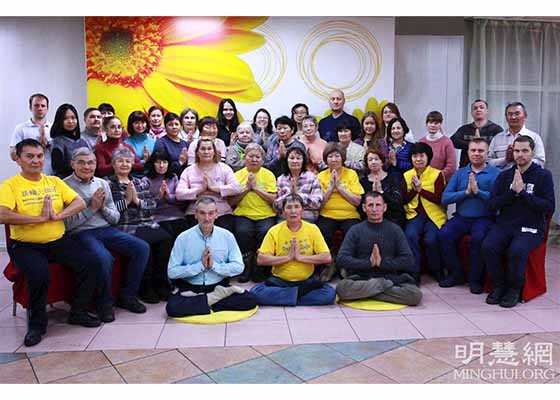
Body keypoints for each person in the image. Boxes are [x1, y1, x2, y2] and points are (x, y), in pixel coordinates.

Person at [0, 139, 102, 347]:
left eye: (39, 156)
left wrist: (58, 216)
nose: (36, 161)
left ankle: (78, 311)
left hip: (57, 241)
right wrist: (37, 219)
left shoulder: (54, 181)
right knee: (39, 274)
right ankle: (37, 326)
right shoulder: (10, 185)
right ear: (18, 159)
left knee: (91, 261)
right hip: (25, 245)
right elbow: (2, 214)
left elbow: (79, 202)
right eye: (30, 156)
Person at [64, 147, 149, 320]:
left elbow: (115, 218)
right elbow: (66, 225)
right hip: (82, 232)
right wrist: (92, 208)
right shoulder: (64, 185)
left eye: (91, 163)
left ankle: (127, 296)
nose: (86, 167)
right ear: (72, 164)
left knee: (142, 248)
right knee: (103, 258)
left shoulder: (102, 183)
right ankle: (104, 304)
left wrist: (102, 208)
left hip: (106, 229)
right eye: (81, 163)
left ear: (96, 165)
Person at [482, 136, 555, 308]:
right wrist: (511, 193)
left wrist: (523, 193)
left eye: (524, 151)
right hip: (505, 225)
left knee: (517, 250)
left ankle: (514, 289)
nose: (520, 154)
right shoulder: (504, 176)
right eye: (516, 151)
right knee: (488, 246)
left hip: (531, 226)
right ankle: (499, 286)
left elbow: (549, 206)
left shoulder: (543, 176)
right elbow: (492, 205)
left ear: (532, 152)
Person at [166, 197, 257, 317]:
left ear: (216, 214)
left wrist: (214, 266)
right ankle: (214, 300)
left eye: (210, 213)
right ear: (195, 215)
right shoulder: (183, 238)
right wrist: (200, 266)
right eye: (202, 213)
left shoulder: (227, 236)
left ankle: (202, 302)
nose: (207, 218)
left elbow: (239, 267)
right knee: (172, 307)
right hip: (191, 288)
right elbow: (172, 272)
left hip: (218, 285)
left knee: (249, 300)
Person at [105, 147, 174, 303]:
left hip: (146, 222)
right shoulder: (108, 183)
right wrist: (127, 201)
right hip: (126, 226)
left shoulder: (139, 182)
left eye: (127, 161)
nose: (124, 164)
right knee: (146, 243)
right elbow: (109, 210)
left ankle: (161, 283)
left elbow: (152, 205)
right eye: (120, 161)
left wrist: (136, 201)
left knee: (166, 239)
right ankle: (145, 287)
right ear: (113, 164)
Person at [336, 192, 422, 305]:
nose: (374, 209)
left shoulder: (395, 230)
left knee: (415, 295)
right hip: (362, 278)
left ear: (384, 207)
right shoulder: (355, 230)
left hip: (389, 277)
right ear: (364, 208)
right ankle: (381, 290)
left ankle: (368, 293)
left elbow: (408, 260)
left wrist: (382, 263)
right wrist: (368, 263)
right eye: (370, 205)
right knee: (342, 289)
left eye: (378, 205)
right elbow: (341, 259)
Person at [250, 194, 336, 306]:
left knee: (329, 294)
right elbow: (261, 259)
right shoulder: (274, 231)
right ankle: (298, 295)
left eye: (296, 207)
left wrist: (300, 258)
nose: (293, 211)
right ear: (283, 212)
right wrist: (288, 257)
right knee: (256, 293)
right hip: (280, 281)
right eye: (289, 207)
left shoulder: (312, 229)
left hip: (306, 281)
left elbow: (326, 257)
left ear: (302, 210)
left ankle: (287, 297)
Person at [438, 139, 501, 293]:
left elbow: (499, 201)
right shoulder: (460, 173)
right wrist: (465, 193)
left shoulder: (496, 174)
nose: (476, 153)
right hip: (462, 217)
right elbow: (445, 198)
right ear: (468, 153)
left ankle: (475, 280)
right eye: (473, 150)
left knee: (478, 238)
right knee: (444, 234)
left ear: (487, 154)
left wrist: (478, 192)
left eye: (480, 151)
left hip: (485, 218)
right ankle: (456, 273)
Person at [230, 143, 277, 283]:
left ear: (262, 159)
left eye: (258, 157)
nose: (254, 159)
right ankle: (245, 268)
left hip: (265, 214)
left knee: (266, 232)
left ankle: (259, 268)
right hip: (243, 214)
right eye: (251, 156)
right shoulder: (237, 175)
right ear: (245, 157)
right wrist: (246, 189)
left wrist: (256, 188)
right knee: (243, 232)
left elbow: (273, 199)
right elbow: (231, 201)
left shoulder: (268, 174)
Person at [317, 143, 364, 281]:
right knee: (323, 231)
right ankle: (329, 264)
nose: (334, 159)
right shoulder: (321, 176)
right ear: (326, 160)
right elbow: (319, 204)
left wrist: (339, 187)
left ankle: (346, 264)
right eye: (330, 156)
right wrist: (331, 187)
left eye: (337, 156)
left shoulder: (351, 174)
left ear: (342, 158)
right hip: (327, 214)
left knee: (353, 231)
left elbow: (357, 201)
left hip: (349, 214)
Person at [402, 142, 447, 283]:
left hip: (433, 215)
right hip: (414, 214)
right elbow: (403, 200)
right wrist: (414, 191)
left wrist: (421, 190)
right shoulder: (407, 175)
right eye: (415, 156)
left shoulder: (437, 174)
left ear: (428, 157)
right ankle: (414, 272)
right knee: (410, 236)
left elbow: (439, 199)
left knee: (431, 240)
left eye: (422, 156)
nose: (418, 159)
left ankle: (436, 269)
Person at [176, 138, 241, 232]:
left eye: (209, 149)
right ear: (197, 152)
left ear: (214, 152)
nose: (206, 152)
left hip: (221, 212)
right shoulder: (189, 170)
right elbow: (179, 194)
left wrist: (215, 188)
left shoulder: (224, 168)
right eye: (203, 149)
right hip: (195, 212)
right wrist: (200, 190)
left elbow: (236, 188)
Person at [144, 150, 189, 239]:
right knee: (168, 237)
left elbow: (181, 201)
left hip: (177, 216)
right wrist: (159, 197)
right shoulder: (146, 180)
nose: (161, 166)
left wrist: (169, 197)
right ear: (152, 164)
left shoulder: (173, 177)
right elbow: (144, 206)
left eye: (164, 162)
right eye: (158, 162)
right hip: (158, 217)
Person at [488, 102, 546, 170]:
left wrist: (521, 159)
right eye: (510, 114)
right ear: (506, 117)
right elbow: (488, 163)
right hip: (502, 176)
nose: (513, 117)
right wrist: (505, 160)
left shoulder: (534, 138)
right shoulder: (497, 138)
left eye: (517, 113)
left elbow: (540, 162)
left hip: (526, 176)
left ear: (525, 116)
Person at [274, 146, 323, 223]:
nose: (295, 161)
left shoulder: (312, 177)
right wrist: (290, 194)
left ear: (303, 161)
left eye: (298, 158)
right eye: (292, 158)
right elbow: (276, 206)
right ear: (287, 160)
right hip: (285, 219)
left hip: (307, 218)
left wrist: (297, 195)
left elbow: (317, 203)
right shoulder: (281, 179)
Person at [360, 148, 405, 228]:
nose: (373, 162)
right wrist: (372, 195)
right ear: (367, 164)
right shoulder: (363, 181)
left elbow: (398, 204)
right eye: (370, 160)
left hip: (392, 217)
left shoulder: (393, 178)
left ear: (382, 162)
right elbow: (361, 206)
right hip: (370, 218)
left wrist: (381, 192)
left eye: (376, 159)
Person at [451, 99, 504, 167]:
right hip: (466, 168)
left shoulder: (496, 129)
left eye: (481, 107)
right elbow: (452, 141)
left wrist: (481, 143)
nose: (478, 110)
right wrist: (472, 143)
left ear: (487, 111)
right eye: (475, 108)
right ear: (471, 113)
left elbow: (500, 146)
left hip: (489, 169)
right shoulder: (464, 129)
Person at [10, 93, 53, 175]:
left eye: (43, 106)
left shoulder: (54, 128)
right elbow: (13, 155)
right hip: (28, 175)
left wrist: (50, 146)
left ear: (47, 108)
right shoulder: (21, 128)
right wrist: (32, 147)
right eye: (36, 105)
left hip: (53, 175)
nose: (40, 108)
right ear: (30, 107)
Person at [51, 103, 90, 178]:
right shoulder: (57, 142)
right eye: (65, 118)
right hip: (66, 181)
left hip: (86, 179)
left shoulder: (83, 141)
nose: (70, 121)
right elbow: (58, 169)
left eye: (73, 118)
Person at [419, 111, 456, 182]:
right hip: (423, 181)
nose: (433, 125)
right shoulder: (421, 141)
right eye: (430, 122)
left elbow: (452, 166)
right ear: (426, 124)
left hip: (441, 182)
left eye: (436, 123)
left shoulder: (447, 142)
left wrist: (437, 176)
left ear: (440, 124)